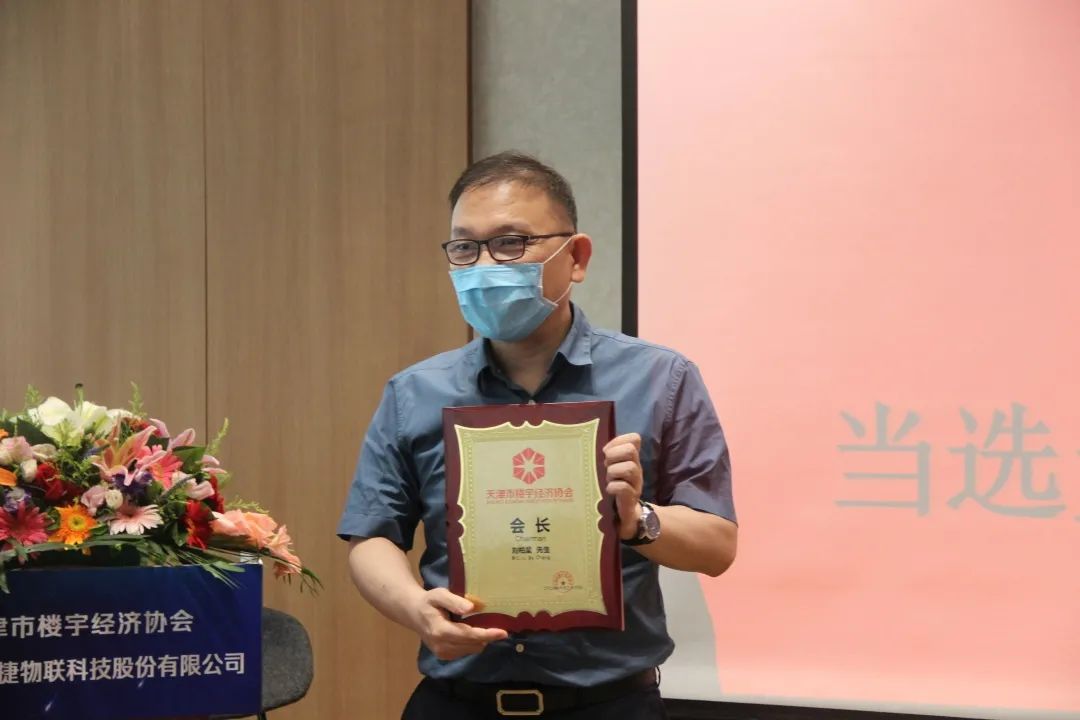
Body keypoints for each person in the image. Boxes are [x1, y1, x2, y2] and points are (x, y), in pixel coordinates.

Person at [338, 151, 737, 719]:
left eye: (510, 243)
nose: (484, 265)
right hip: (456, 704)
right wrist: (415, 608)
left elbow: (717, 546)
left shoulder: (660, 379)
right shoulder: (415, 393)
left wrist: (637, 520)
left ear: (576, 257)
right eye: (465, 248)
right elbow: (371, 536)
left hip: (609, 705)